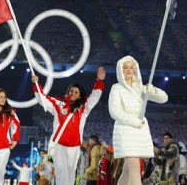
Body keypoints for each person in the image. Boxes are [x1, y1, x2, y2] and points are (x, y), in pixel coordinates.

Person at [31, 66, 106, 185]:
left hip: (74, 147)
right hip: (59, 146)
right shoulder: (58, 104)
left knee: (71, 174)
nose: (73, 93)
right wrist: (36, 84)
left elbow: (94, 97)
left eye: (76, 92)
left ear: (80, 96)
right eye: (71, 90)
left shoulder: (83, 108)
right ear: (68, 92)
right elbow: (42, 99)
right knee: (61, 172)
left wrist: (100, 81)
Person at [108, 55, 168, 185]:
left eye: (131, 67)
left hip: (139, 132)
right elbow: (114, 112)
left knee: (127, 170)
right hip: (125, 131)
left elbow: (164, 98)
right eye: (125, 67)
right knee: (134, 166)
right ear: (120, 70)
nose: (129, 70)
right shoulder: (116, 88)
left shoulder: (141, 88)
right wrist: (134, 121)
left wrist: (152, 90)